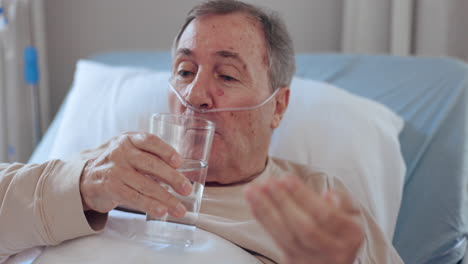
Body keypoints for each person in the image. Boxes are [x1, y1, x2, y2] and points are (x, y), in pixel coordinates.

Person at [0, 0, 403, 263]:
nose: (195, 95)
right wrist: (83, 185)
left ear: (277, 107)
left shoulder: (315, 201)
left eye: (226, 74)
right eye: (184, 71)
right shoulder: (110, 166)